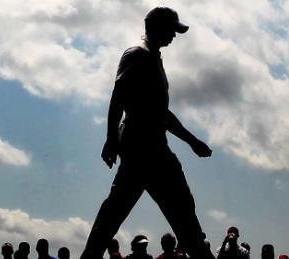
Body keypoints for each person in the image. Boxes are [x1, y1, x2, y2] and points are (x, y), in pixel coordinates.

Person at [80, 6, 214, 259]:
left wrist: (192, 141)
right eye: (171, 30)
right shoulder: (137, 55)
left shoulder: (153, 57)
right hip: (142, 147)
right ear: (156, 27)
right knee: (172, 211)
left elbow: (161, 112)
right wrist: (110, 139)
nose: (174, 36)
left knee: (176, 211)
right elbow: (118, 97)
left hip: (152, 145)